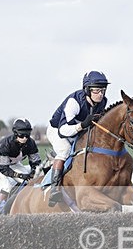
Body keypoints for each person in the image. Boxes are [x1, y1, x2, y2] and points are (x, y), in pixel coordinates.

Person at [46, 70, 109, 206]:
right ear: (87, 90)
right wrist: (82, 125)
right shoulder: (74, 102)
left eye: (103, 90)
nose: (101, 94)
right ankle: (54, 189)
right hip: (57, 130)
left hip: (77, 131)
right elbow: (63, 131)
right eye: (97, 91)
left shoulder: (103, 102)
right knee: (65, 151)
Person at [0, 118, 41, 215]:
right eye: (21, 135)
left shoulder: (31, 143)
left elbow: (35, 162)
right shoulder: (5, 144)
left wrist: (33, 172)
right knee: (6, 187)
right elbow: (4, 169)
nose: (25, 138)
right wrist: (20, 175)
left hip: (15, 164)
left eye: (27, 134)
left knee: (30, 183)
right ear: (15, 133)